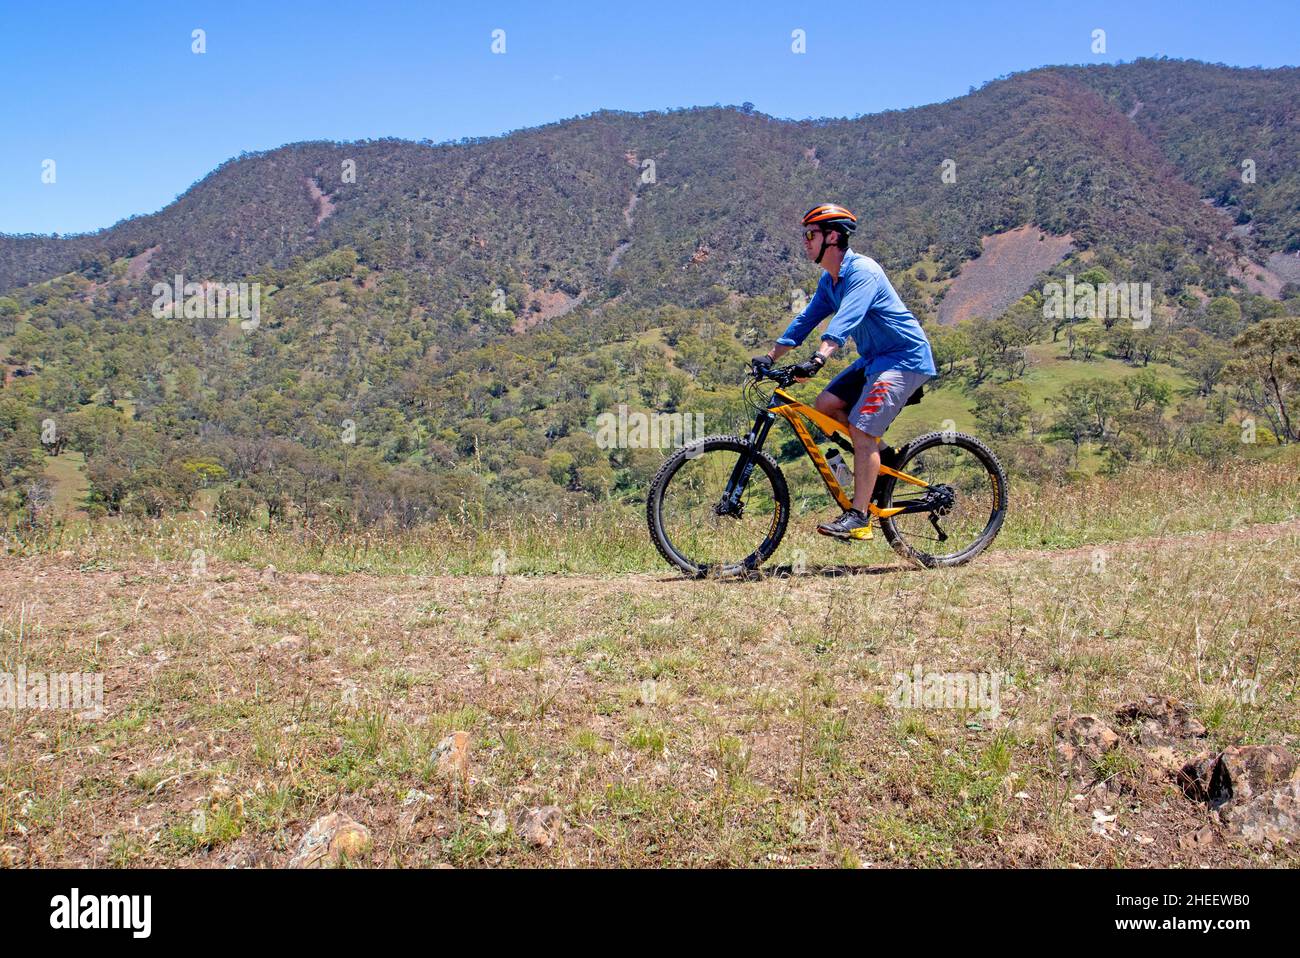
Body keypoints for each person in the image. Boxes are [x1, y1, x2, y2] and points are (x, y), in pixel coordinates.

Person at [754, 204, 936, 540]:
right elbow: (806, 320)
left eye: (811, 234)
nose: (805, 241)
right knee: (826, 407)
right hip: (874, 358)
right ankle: (881, 462)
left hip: (903, 359)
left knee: (861, 429)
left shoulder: (862, 272)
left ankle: (859, 516)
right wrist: (770, 356)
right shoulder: (830, 280)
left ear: (832, 236)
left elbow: (845, 319)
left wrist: (820, 358)